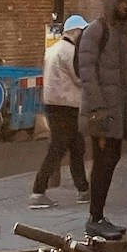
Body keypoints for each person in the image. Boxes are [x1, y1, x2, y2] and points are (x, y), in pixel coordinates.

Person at [75, 0, 127, 239]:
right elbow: (87, 75)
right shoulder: (95, 31)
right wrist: (100, 111)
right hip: (102, 114)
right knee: (103, 164)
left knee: (110, 162)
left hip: (116, 112)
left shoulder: (121, 32)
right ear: (110, 2)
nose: (124, 6)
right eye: (120, 2)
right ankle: (95, 218)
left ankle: (99, 215)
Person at [31, 15, 90, 207]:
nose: (83, 34)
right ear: (74, 31)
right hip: (66, 103)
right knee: (58, 148)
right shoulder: (70, 51)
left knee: (76, 146)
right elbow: (78, 77)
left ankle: (83, 189)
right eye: (81, 31)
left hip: (53, 101)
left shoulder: (52, 49)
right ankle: (38, 191)